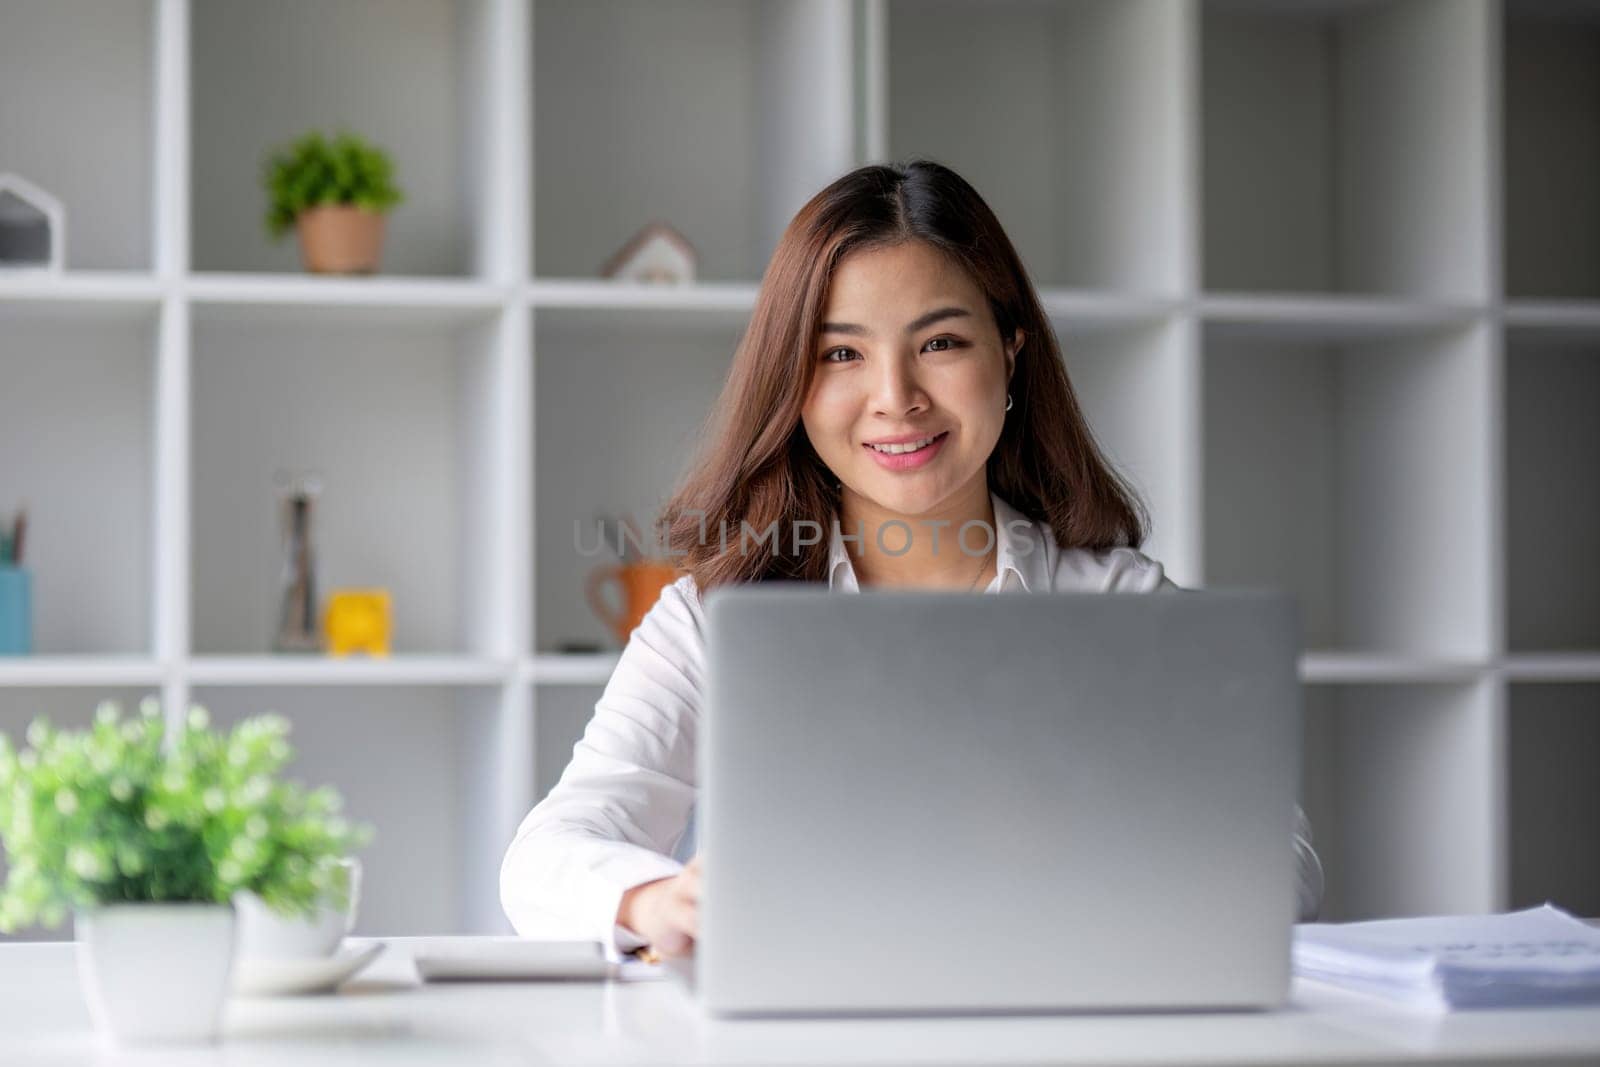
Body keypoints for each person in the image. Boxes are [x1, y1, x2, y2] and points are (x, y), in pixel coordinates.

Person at [500, 160, 1324, 959]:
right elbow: (544, 857)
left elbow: (1281, 861)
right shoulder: (713, 619)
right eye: (841, 354)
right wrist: (660, 900)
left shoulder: (1121, 603)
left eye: (940, 343)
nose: (896, 396)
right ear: (791, 382)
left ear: (1011, 349)